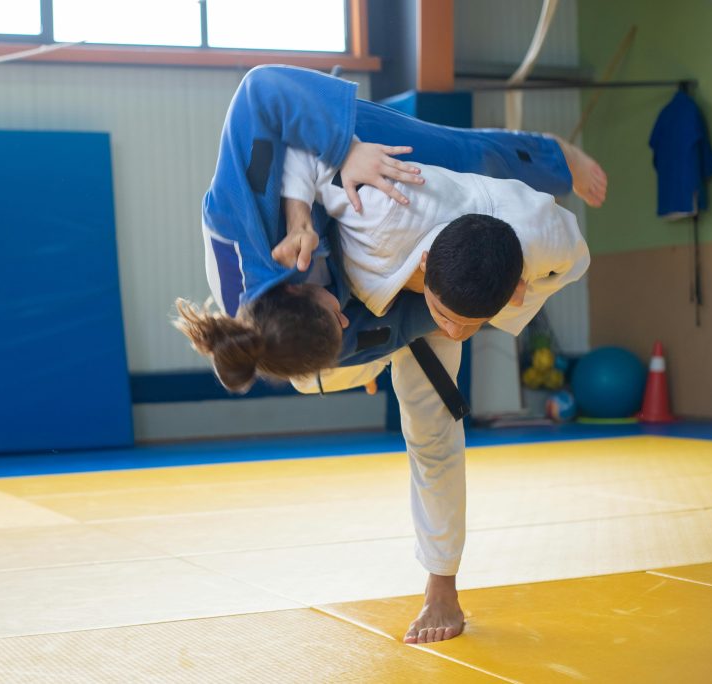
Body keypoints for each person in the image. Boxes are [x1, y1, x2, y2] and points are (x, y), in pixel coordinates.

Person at [176, 65, 604, 644]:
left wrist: (344, 151)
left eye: (332, 309)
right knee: (392, 402)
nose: (343, 310)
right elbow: (356, 327)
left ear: (300, 277)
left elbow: (263, 92)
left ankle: (551, 155)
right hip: (351, 306)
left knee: (458, 155)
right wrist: (453, 315)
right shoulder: (310, 334)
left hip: (350, 158)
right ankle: (366, 370)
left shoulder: (245, 219)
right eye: (340, 320)